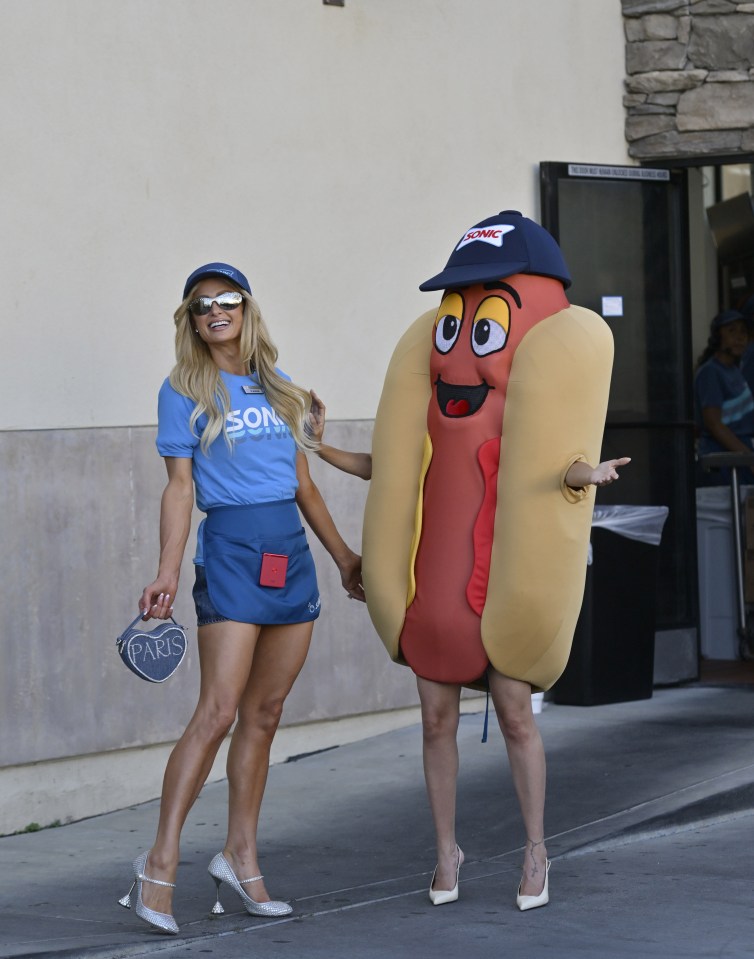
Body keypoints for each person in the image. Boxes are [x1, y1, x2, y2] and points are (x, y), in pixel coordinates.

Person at [307, 399, 629, 910]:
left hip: (502, 588)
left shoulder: (516, 400)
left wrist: (590, 472)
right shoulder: (434, 413)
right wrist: (318, 446)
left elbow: (554, 466)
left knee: (515, 715)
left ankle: (536, 852)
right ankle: (445, 853)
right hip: (437, 589)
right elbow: (384, 467)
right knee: (436, 721)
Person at [119, 262, 363, 935]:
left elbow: (304, 484)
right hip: (230, 553)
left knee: (267, 710)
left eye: (226, 300)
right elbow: (179, 487)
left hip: (293, 553)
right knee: (218, 709)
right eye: (202, 305)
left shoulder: (281, 389)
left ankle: (240, 856)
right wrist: (167, 568)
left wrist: (344, 558)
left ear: (246, 309)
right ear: (192, 320)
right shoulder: (183, 388)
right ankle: (159, 860)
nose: (215, 311)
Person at [694, 308, 754, 486]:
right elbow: (714, 424)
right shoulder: (711, 372)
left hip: (740, 454)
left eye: (743, 332)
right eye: (732, 331)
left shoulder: (735, 370)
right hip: (724, 460)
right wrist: (747, 457)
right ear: (717, 337)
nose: (739, 337)